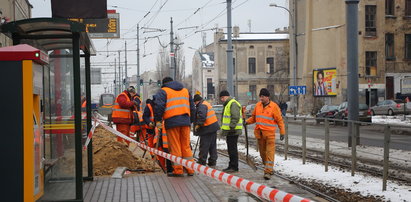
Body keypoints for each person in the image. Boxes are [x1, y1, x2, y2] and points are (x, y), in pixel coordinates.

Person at [154, 77, 196, 177]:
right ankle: (190, 169)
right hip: (185, 122)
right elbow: (192, 107)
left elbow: (159, 106)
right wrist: (190, 121)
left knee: (175, 146)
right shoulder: (185, 90)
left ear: (164, 84)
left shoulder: (163, 91)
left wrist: (158, 120)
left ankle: (178, 170)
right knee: (186, 146)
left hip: (172, 122)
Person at [245, 88, 285, 180]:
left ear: (267, 97)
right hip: (260, 134)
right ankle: (267, 167)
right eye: (260, 96)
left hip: (270, 134)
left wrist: (282, 132)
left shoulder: (274, 107)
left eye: (263, 97)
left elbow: (280, 121)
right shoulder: (258, 106)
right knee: (262, 154)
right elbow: (254, 118)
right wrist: (247, 122)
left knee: (269, 153)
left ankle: (268, 172)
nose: (261, 98)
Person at [193, 94, 219, 168]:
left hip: (207, 128)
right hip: (213, 127)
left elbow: (202, 116)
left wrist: (198, 125)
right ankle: (212, 161)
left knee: (204, 145)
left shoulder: (202, 105)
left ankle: (202, 161)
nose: (195, 104)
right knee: (212, 146)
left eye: (195, 103)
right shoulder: (206, 103)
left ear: (197, 101)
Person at [219, 90, 243, 173]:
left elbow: (235, 116)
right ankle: (231, 165)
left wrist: (232, 127)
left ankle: (234, 166)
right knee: (230, 149)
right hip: (230, 131)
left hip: (233, 131)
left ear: (226, 96)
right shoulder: (228, 104)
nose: (222, 99)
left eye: (222, 97)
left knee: (232, 149)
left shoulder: (232, 103)